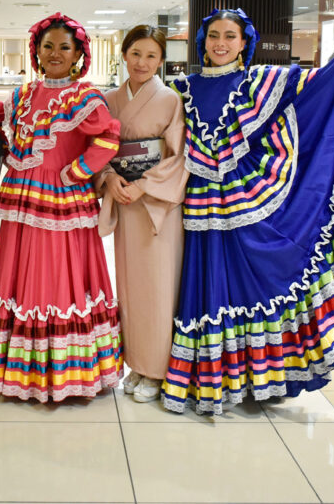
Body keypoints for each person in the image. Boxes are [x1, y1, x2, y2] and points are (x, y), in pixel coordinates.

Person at [162, 0, 334, 415]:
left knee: (253, 283)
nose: (220, 43)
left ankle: (256, 377)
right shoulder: (183, 88)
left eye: (229, 36)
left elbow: (325, 86)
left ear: (243, 43)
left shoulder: (264, 81)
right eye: (213, 35)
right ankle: (207, 378)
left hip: (251, 204)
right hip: (198, 204)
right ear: (202, 41)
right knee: (205, 284)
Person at [0, 12, 123, 402]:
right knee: (21, 273)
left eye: (64, 47)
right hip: (23, 199)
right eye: (47, 46)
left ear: (78, 54)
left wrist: (77, 172)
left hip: (64, 199)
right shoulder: (22, 96)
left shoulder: (86, 97)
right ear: (36, 51)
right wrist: (5, 152)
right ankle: (22, 373)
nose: (55, 53)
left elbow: (107, 140)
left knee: (60, 276)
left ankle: (66, 373)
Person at [95, 25, 188, 402]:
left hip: (156, 204)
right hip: (124, 199)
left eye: (151, 56)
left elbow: (180, 156)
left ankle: (158, 369)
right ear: (124, 54)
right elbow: (98, 149)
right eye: (136, 54)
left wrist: (144, 185)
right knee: (129, 286)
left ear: (162, 60)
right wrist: (108, 178)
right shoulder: (109, 100)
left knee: (157, 286)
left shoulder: (170, 100)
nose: (143, 62)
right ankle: (136, 363)